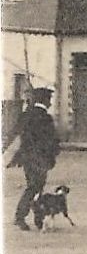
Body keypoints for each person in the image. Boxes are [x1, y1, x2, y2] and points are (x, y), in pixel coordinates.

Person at [10, 87, 59, 231]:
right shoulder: (46, 118)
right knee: (35, 187)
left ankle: (37, 218)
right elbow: (51, 140)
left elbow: (15, 133)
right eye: (49, 100)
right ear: (45, 100)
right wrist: (53, 156)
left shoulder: (26, 115)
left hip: (26, 158)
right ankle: (22, 216)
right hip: (40, 158)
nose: (50, 103)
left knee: (34, 186)